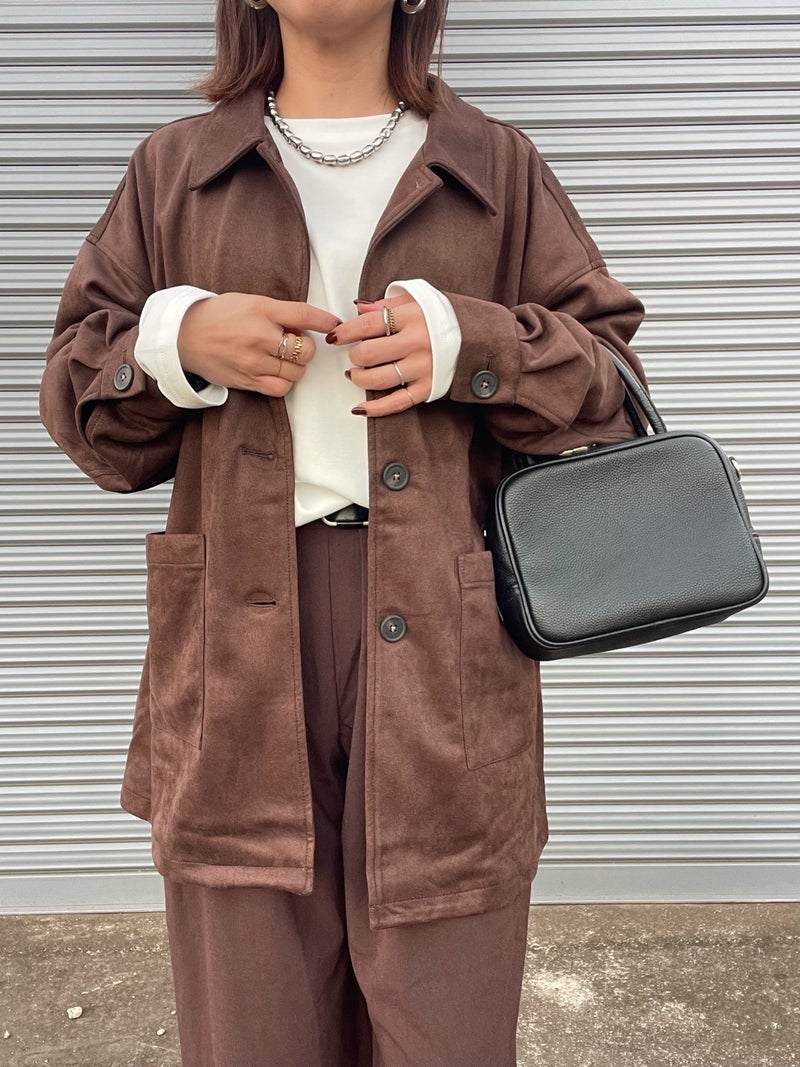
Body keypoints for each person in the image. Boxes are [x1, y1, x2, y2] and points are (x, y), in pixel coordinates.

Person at [38, 0, 648, 1063]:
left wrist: (472, 346)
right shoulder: (174, 169)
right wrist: (178, 341)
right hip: (233, 649)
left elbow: (613, 391)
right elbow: (86, 412)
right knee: (250, 1025)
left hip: (446, 641)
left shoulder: (495, 167)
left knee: (448, 1024)